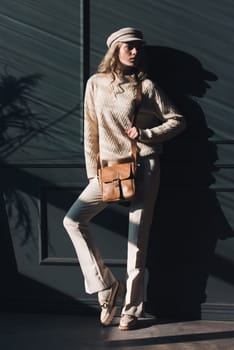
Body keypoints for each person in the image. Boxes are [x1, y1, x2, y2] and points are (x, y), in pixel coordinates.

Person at [63, 27, 186, 330]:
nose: (135, 52)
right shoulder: (96, 84)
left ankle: (131, 309)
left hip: (144, 165)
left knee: (137, 240)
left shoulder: (145, 86)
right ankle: (106, 287)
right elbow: (90, 131)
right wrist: (94, 173)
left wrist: (146, 133)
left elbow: (177, 120)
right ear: (115, 50)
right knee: (73, 220)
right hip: (110, 169)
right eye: (128, 47)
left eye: (138, 48)